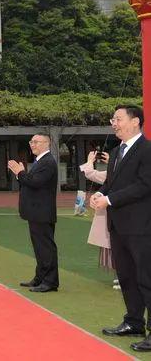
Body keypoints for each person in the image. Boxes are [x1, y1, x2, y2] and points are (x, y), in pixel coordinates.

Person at [89, 105, 151, 352]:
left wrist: (110, 199)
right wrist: (100, 194)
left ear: (135, 121)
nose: (114, 123)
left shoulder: (147, 150)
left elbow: (145, 185)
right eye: (112, 119)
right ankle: (134, 322)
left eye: (118, 119)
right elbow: (112, 183)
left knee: (146, 278)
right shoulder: (116, 152)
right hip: (117, 225)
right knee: (126, 276)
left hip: (142, 226)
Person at [7, 133, 59, 293]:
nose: (32, 144)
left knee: (45, 248)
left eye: (36, 142)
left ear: (46, 143)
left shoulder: (48, 162)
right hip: (36, 211)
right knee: (39, 247)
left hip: (42, 211)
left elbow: (35, 182)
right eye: (31, 142)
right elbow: (31, 181)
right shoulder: (40, 161)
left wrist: (20, 173)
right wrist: (21, 174)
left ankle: (50, 281)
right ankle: (40, 278)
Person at [81, 149, 117, 282]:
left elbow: (90, 174)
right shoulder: (111, 174)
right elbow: (91, 174)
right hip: (111, 215)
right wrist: (90, 161)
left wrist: (90, 161)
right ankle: (120, 275)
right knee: (113, 246)